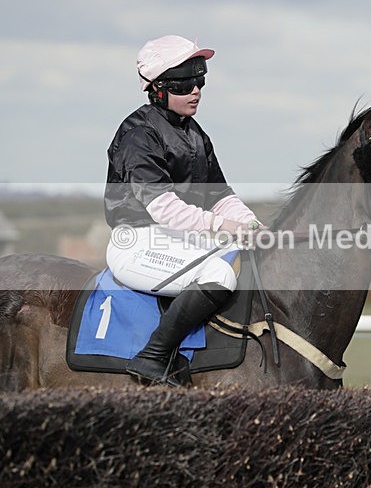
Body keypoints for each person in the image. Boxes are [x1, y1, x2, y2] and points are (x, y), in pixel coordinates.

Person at [104, 35, 262, 386]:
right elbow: (165, 210)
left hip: (176, 240)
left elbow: (220, 194)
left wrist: (251, 223)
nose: (196, 90)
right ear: (158, 88)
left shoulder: (195, 134)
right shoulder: (138, 134)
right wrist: (224, 225)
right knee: (220, 276)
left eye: (200, 81)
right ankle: (153, 357)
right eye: (185, 83)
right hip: (138, 243)